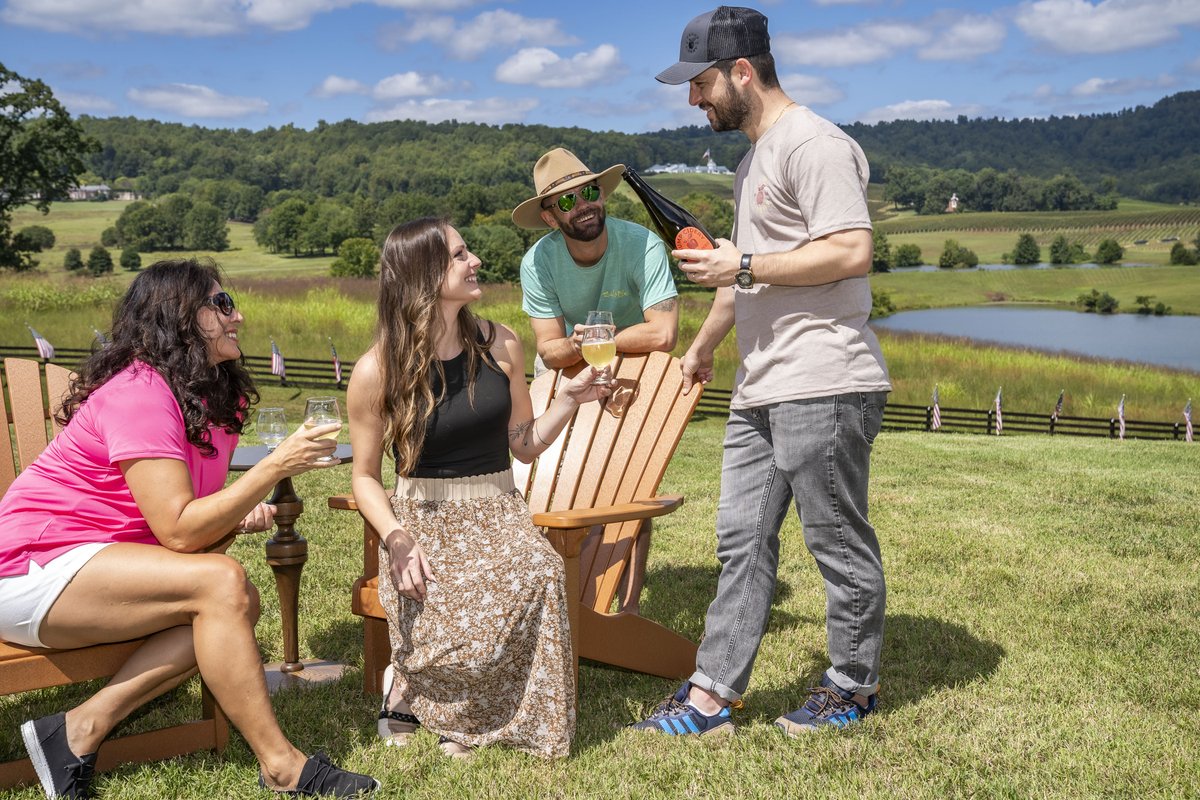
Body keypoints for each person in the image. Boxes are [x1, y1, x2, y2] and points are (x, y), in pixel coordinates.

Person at [0, 259, 380, 798]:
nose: (237, 316)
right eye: (221, 305)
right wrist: (273, 467)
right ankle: (282, 766)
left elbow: (189, 531)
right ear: (178, 316)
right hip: (31, 567)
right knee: (223, 583)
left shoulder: (213, 400)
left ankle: (79, 728)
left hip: (101, 568)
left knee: (236, 597)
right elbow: (180, 533)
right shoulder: (139, 392)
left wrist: (229, 514)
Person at [632, 6, 892, 737]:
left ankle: (853, 687)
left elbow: (851, 252)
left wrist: (741, 263)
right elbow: (742, 278)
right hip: (761, 384)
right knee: (741, 539)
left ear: (742, 72)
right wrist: (703, 346)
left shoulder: (815, 144)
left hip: (825, 377)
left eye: (701, 83)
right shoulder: (752, 162)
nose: (694, 99)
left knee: (835, 539)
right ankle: (712, 696)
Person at [346, 217, 610, 760]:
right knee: (449, 599)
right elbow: (365, 476)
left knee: (539, 571)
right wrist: (396, 538)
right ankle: (408, 686)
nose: (476, 262)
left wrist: (569, 399)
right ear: (423, 274)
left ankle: (469, 713)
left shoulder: (502, 344)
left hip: (498, 512)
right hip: (420, 520)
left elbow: (523, 444)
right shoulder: (377, 370)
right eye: (460, 255)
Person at [513, 147, 680, 612]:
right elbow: (548, 348)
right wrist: (578, 347)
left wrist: (600, 338)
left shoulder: (642, 244)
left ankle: (627, 608)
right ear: (550, 217)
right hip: (567, 373)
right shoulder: (538, 262)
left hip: (635, 369)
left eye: (589, 192)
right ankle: (562, 593)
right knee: (561, 480)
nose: (584, 205)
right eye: (567, 201)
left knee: (631, 479)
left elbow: (664, 334)